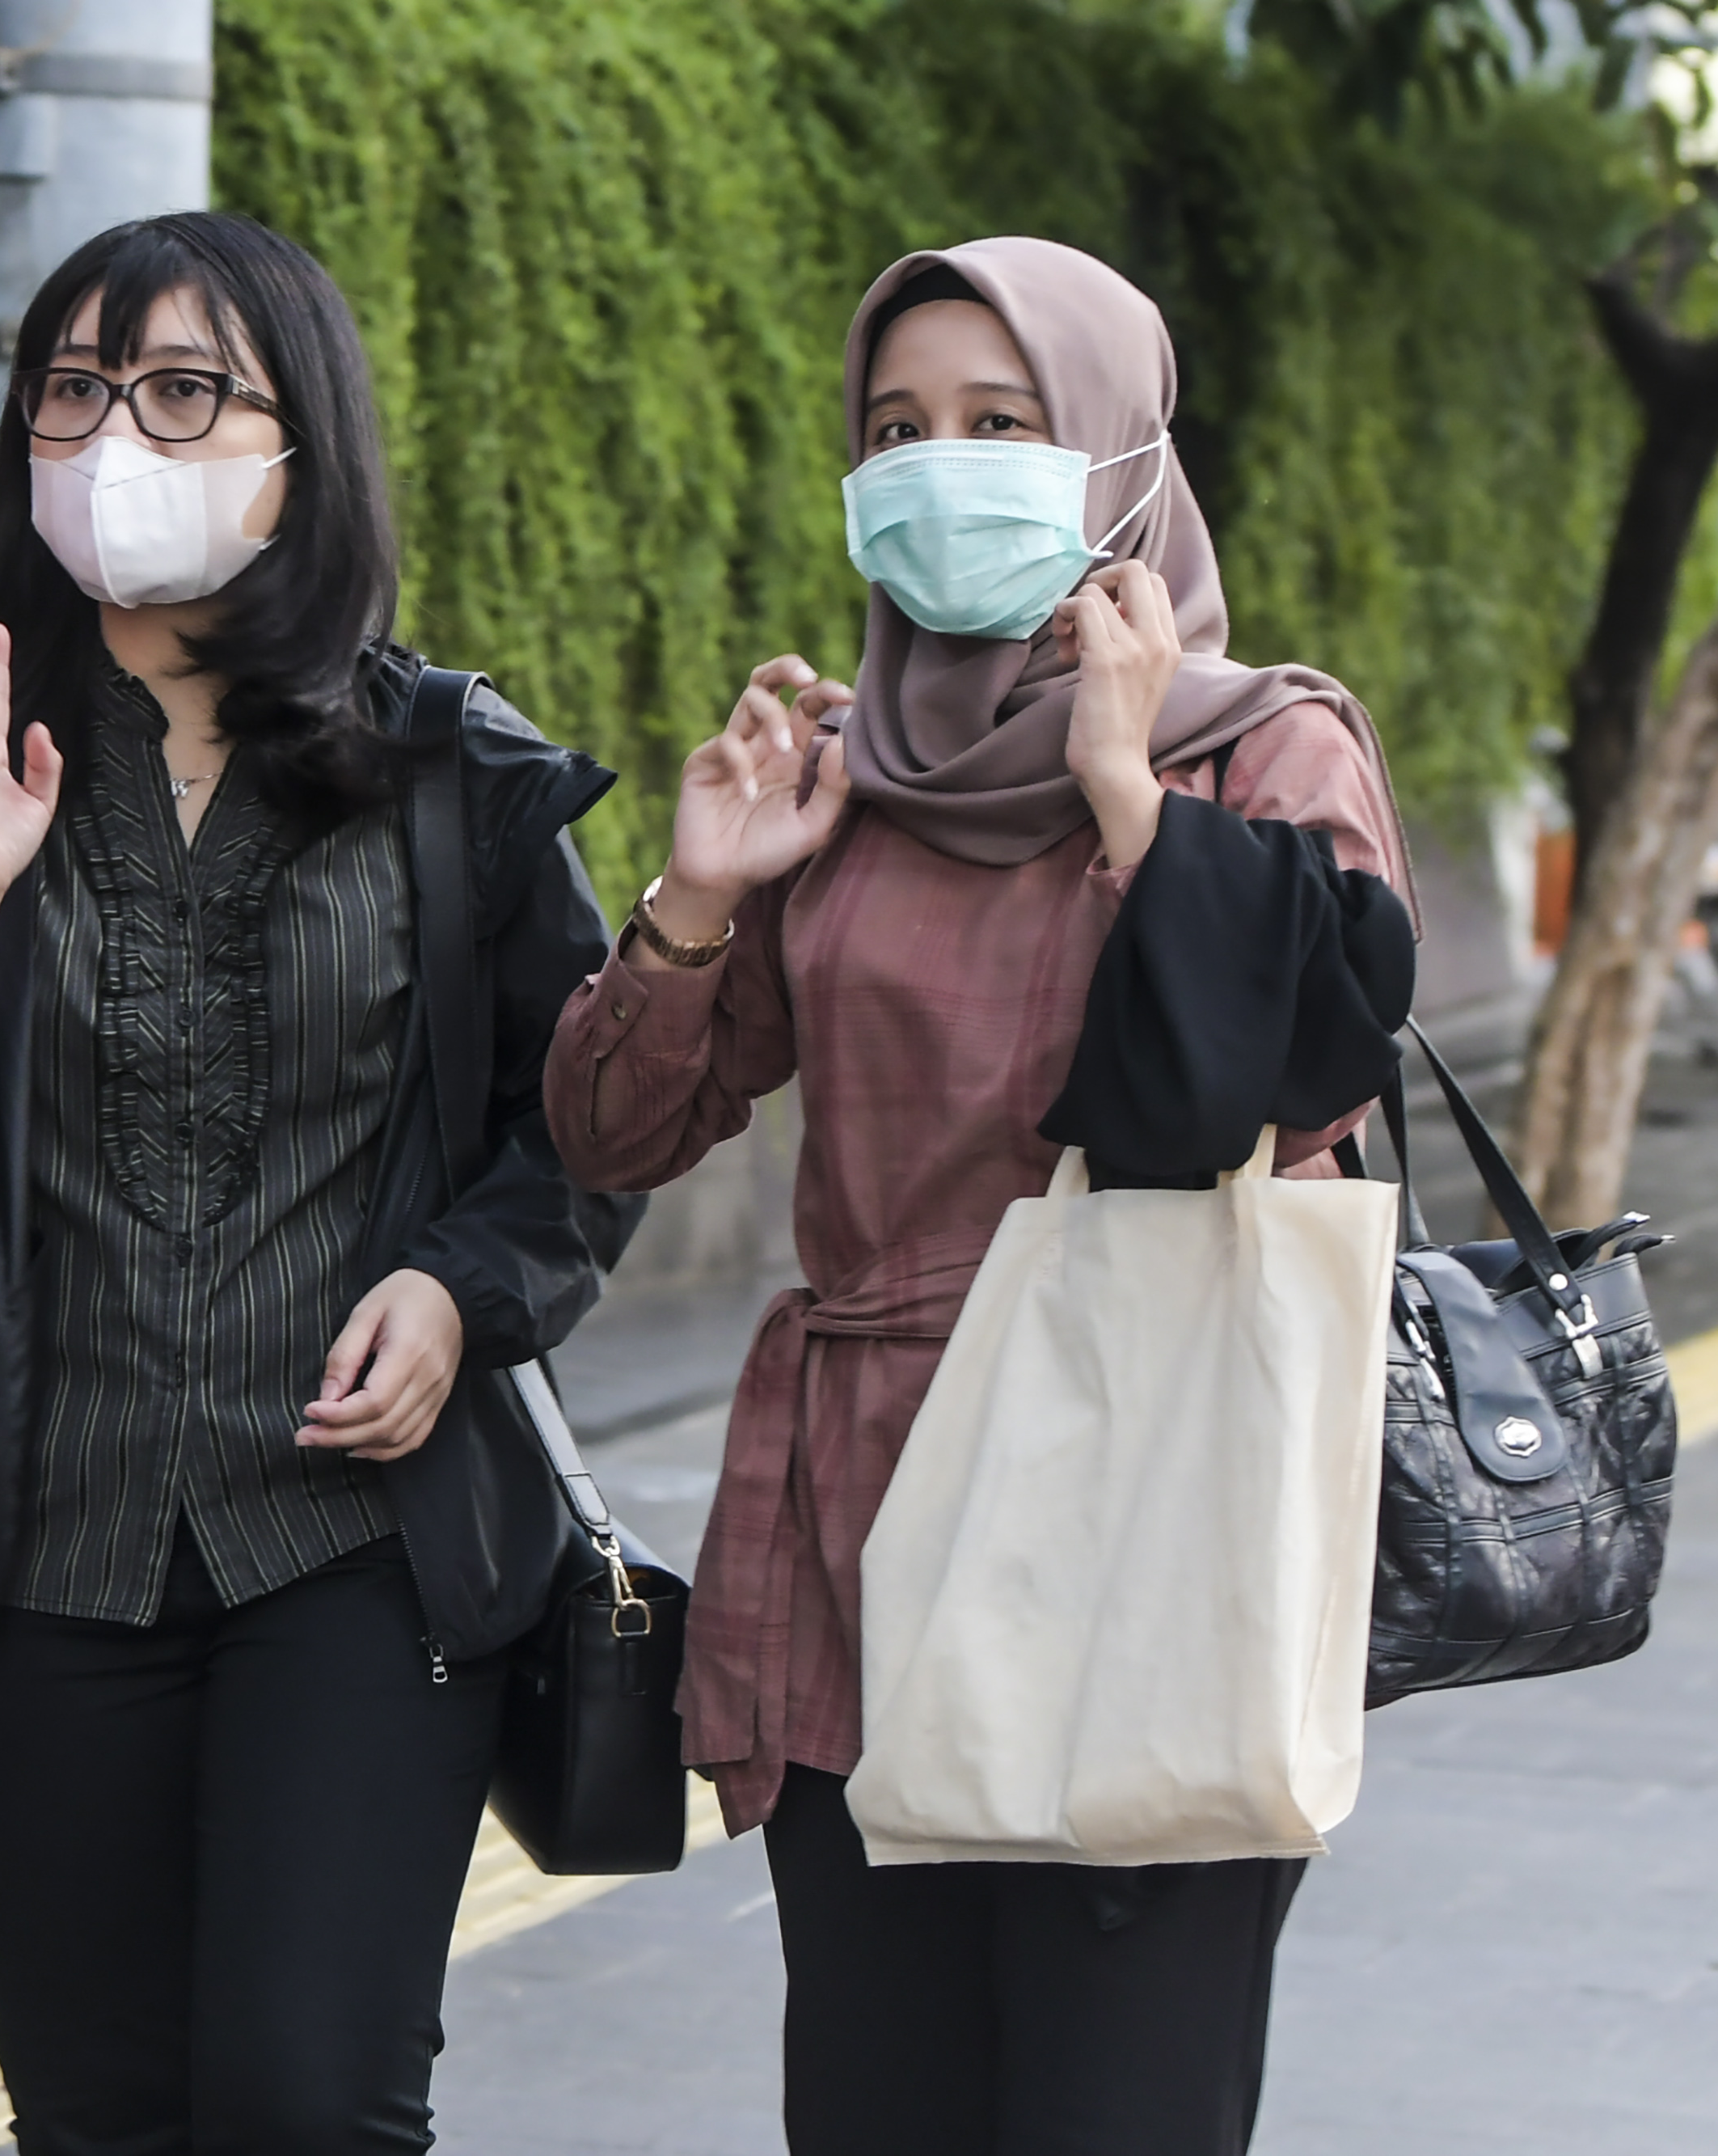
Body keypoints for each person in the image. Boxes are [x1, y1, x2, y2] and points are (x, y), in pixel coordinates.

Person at [542, 236, 1413, 2155]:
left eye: (1001, 422)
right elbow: (611, 1136)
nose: (939, 465)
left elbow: (1305, 1087)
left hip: (1149, 1527)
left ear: (1118, 452)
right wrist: (695, 898)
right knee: (877, 2109)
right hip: (861, 1540)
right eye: (895, 429)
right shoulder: (839, 777)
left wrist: (1127, 798)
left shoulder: (1260, 747)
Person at [0, 210, 638, 2154]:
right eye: (74, 392)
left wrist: (459, 1293)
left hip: (354, 1553)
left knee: (303, 2102)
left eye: (183, 393)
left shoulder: (452, 770)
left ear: (295, 443)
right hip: (38, 1562)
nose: (117, 440)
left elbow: (586, 1131)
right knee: (96, 2114)